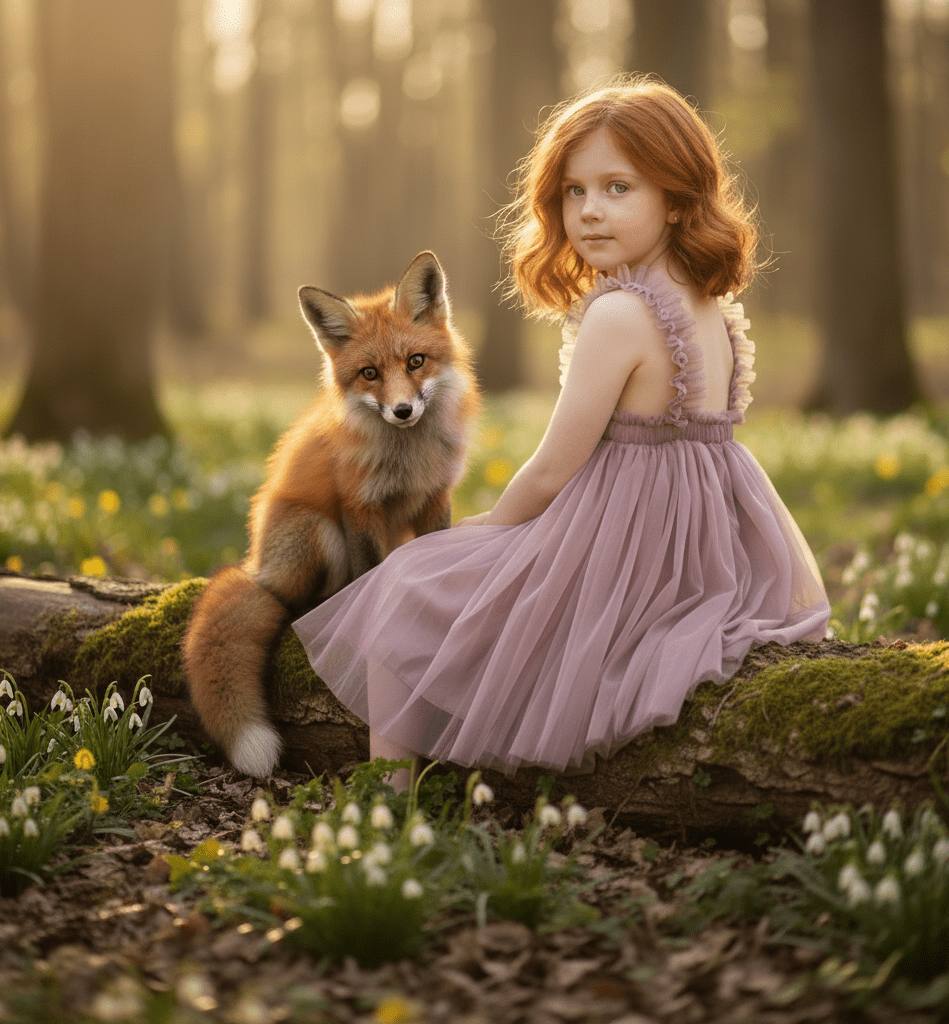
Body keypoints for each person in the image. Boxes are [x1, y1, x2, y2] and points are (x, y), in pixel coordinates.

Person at [292, 78, 830, 792]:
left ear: (676, 197)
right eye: (574, 192)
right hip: (713, 541)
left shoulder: (620, 314)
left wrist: (483, 529)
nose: (590, 212)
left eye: (618, 187)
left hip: (628, 538)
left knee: (409, 580)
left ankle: (391, 792)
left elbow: (553, 471)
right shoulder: (710, 303)